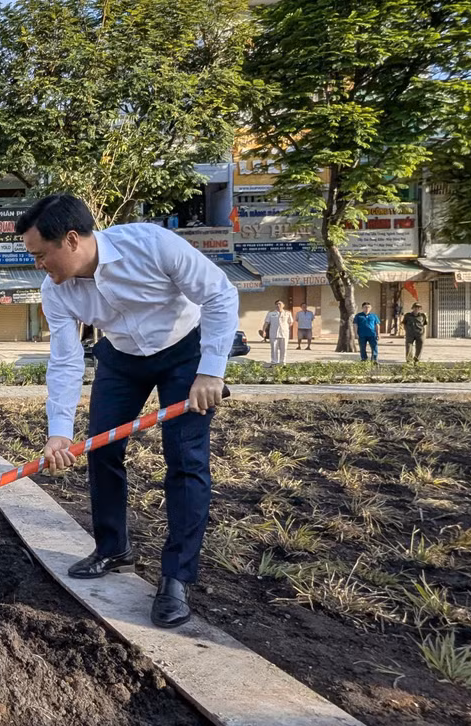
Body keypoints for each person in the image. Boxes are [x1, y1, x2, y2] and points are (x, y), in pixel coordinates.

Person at [24, 194, 235, 630]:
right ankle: (112, 548)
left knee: (185, 459)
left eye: (41, 255)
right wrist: (59, 431)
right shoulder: (55, 291)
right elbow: (64, 359)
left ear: (70, 241)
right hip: (120, 357)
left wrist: (211, 371)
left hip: (184, 354)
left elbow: (219, 294)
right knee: (102, 448)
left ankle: (176, 577)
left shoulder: (152, 245)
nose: (39, 265)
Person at [260, 300, 293, 366]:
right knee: (274, 348)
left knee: (283, 348)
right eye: (277, 304)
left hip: (284, 333)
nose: (278, 305)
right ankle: (274, 362)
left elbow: (291, 322)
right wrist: (264, 331)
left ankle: (282, 362)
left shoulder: (287, 313)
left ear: (283, 305)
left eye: (280, 304)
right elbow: (266, 323)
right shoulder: (271, 314)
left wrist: (285, 328)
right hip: (274, 333)